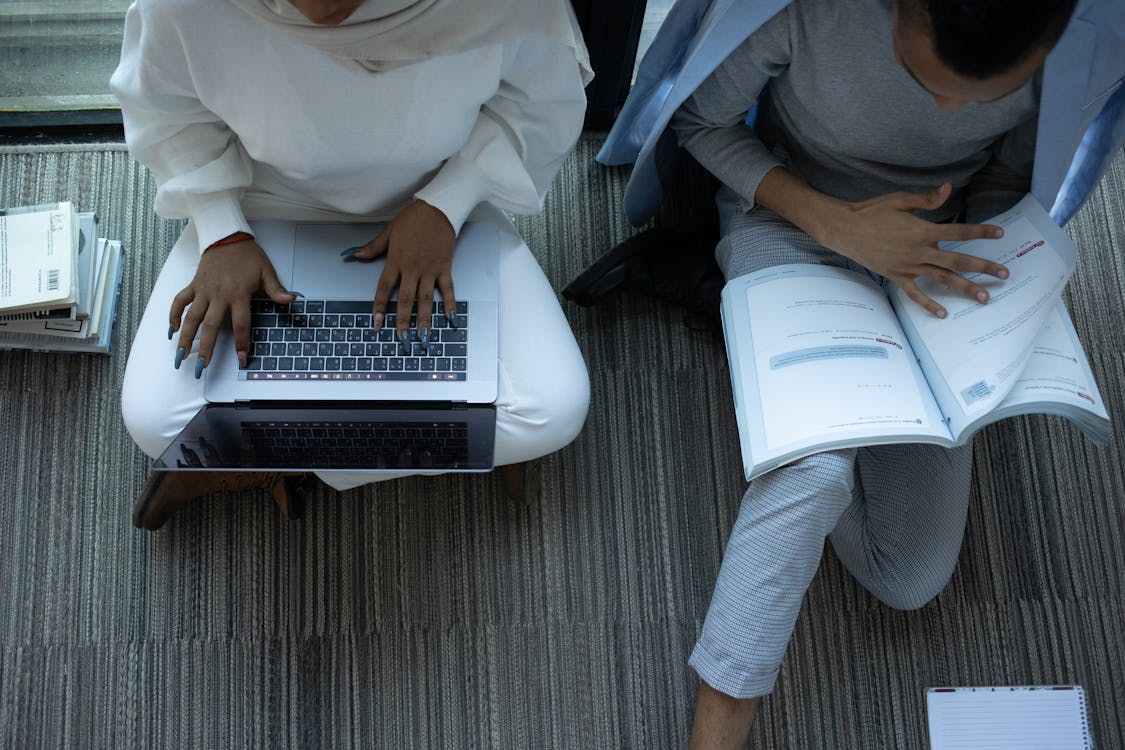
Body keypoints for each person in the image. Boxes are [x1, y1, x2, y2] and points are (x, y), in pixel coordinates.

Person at [571, 0, 1124, 747]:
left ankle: (793, 372)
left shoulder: (1074, 36)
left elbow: (1008, 180)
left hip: (937, 246)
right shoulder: (809, 10)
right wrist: (836, 225)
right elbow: (701, 123)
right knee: (814, 475)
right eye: (923, 78)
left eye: (981, 94)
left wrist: (981, 272)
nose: (949, 108)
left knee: (908, 578)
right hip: (793, 217)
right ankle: (717, 723)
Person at [111, 0, 594, 529]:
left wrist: (448, 202)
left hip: (443, 193)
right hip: (264, 200)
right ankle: (344, 450)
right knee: (153, 419)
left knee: (555, 409)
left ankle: (267, 457)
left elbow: (533, 102)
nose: (319, 12)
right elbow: (168, 112)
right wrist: (221, 227)